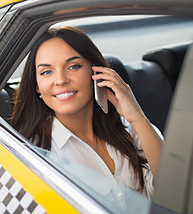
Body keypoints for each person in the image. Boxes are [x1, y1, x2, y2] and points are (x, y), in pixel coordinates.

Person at [11, 26, 163, 197]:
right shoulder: (34, 152)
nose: (60, 80)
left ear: (96, 71)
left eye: (73, 66)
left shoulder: (129, 126)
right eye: (46, 72)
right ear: (37, 86)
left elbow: (173, 189)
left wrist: (137, 117)